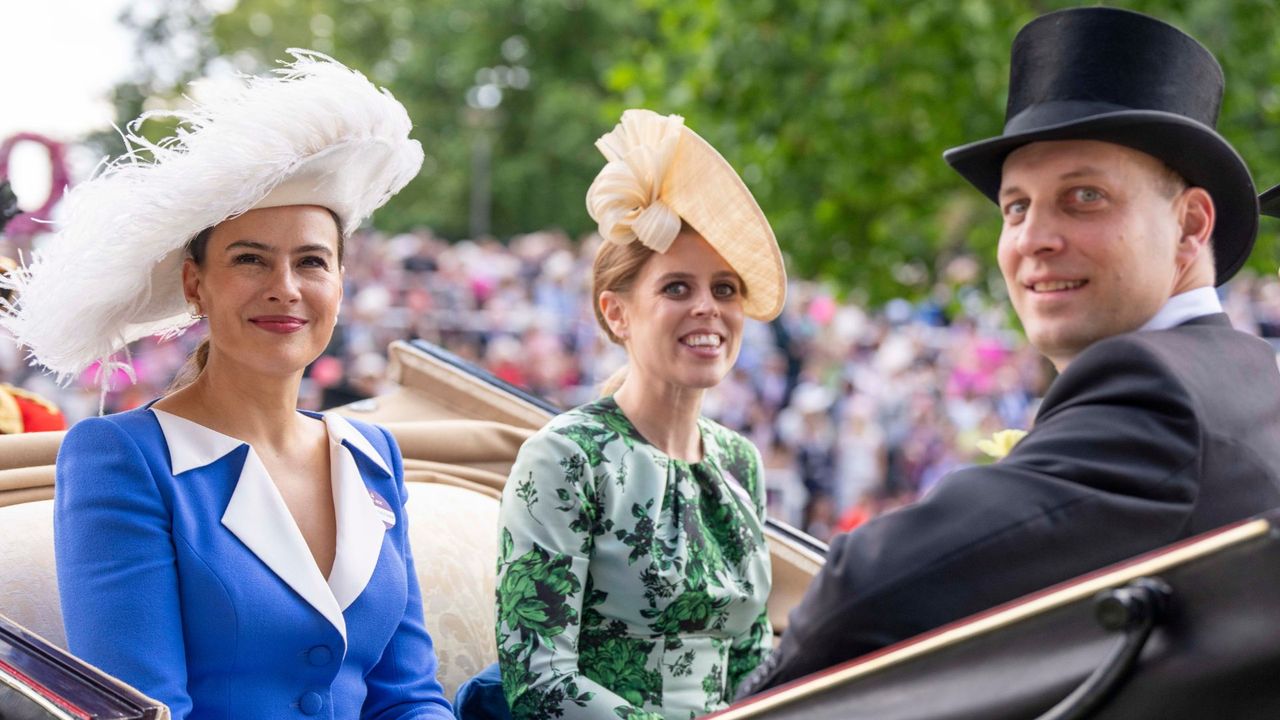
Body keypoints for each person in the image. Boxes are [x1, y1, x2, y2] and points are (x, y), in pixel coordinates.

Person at [738, 7, 1280, 695]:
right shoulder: (1250, 375)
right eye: (1016, 207)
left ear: (1190, 224)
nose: (1033, 239)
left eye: (1084, 197)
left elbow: (863, 590)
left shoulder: (1159, 391)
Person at [0, 51, 453, 719]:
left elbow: (409, 698)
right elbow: (147, 709)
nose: (286, 288)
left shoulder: (373, 455)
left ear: (340, 282)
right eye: (250, 259)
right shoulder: (121, 459)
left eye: (312, 261)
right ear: (195, 284)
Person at [492, 110, 786, 719]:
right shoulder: (566, 457)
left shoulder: (740, 462)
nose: (708, 308)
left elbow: (754, 660)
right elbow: (540, 684)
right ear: (617, 313)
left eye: (725, 289)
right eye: (677, 288)